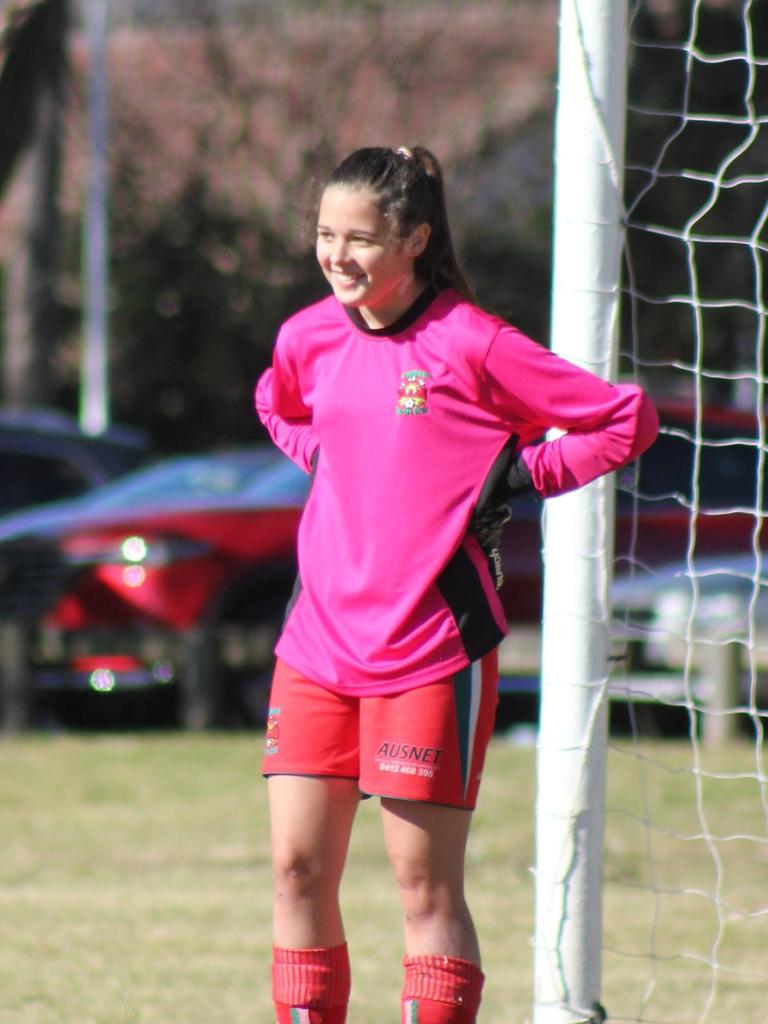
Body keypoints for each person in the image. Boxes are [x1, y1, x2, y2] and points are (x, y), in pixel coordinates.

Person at [254, 145, 659, 1024]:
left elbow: (627, 418)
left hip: (429, 649)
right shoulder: (308, 336)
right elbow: (277, 403)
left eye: (360, 238)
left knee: (423, 889)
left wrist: (516, 477)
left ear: (415, 238)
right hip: (316, 644)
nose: (337, 256)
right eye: (325, 235)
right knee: (295, 870)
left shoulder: (472, 341)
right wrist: (329, 460)